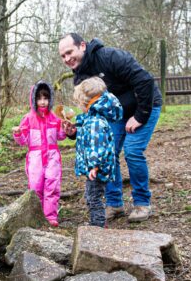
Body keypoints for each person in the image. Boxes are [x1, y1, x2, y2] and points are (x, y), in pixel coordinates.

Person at [58, 33, 162, 222]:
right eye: (63, 56)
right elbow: (93, 117)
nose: (67, 59)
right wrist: (75, 132)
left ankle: (142, 203)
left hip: (145, 104)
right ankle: (115, 204)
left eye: (69, 52)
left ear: (82, 46)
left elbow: (145, 81)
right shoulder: (80, 77)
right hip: (115, 114)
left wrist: (139, 116)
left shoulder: (110, 56)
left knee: (132, 150)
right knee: (108, 152)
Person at [12, 80, 67, 227]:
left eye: (46, 98)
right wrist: (18, 134)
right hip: (35, 158)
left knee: (52, 184)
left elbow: (61, 136)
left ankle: (50, 216)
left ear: (50, 99)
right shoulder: (28, 118)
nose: (42, 102)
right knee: (35, 187)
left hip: (52, 156)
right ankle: (37, 216)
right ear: (34, 99)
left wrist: (65, 128)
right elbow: (23, 141)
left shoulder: (55, 118)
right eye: (39, 98)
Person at [70, 76, 123, 227]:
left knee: (94, 198)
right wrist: (74, 129)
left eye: (79, 103)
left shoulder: (95, 122)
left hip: (97, 169)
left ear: (87, 102)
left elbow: (98, 146)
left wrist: (94, 166)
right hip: (97, 168)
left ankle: (98, 227)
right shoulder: (92, 118)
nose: (79, 107)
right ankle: (97, 223)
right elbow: (87, 137)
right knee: (91, 196)